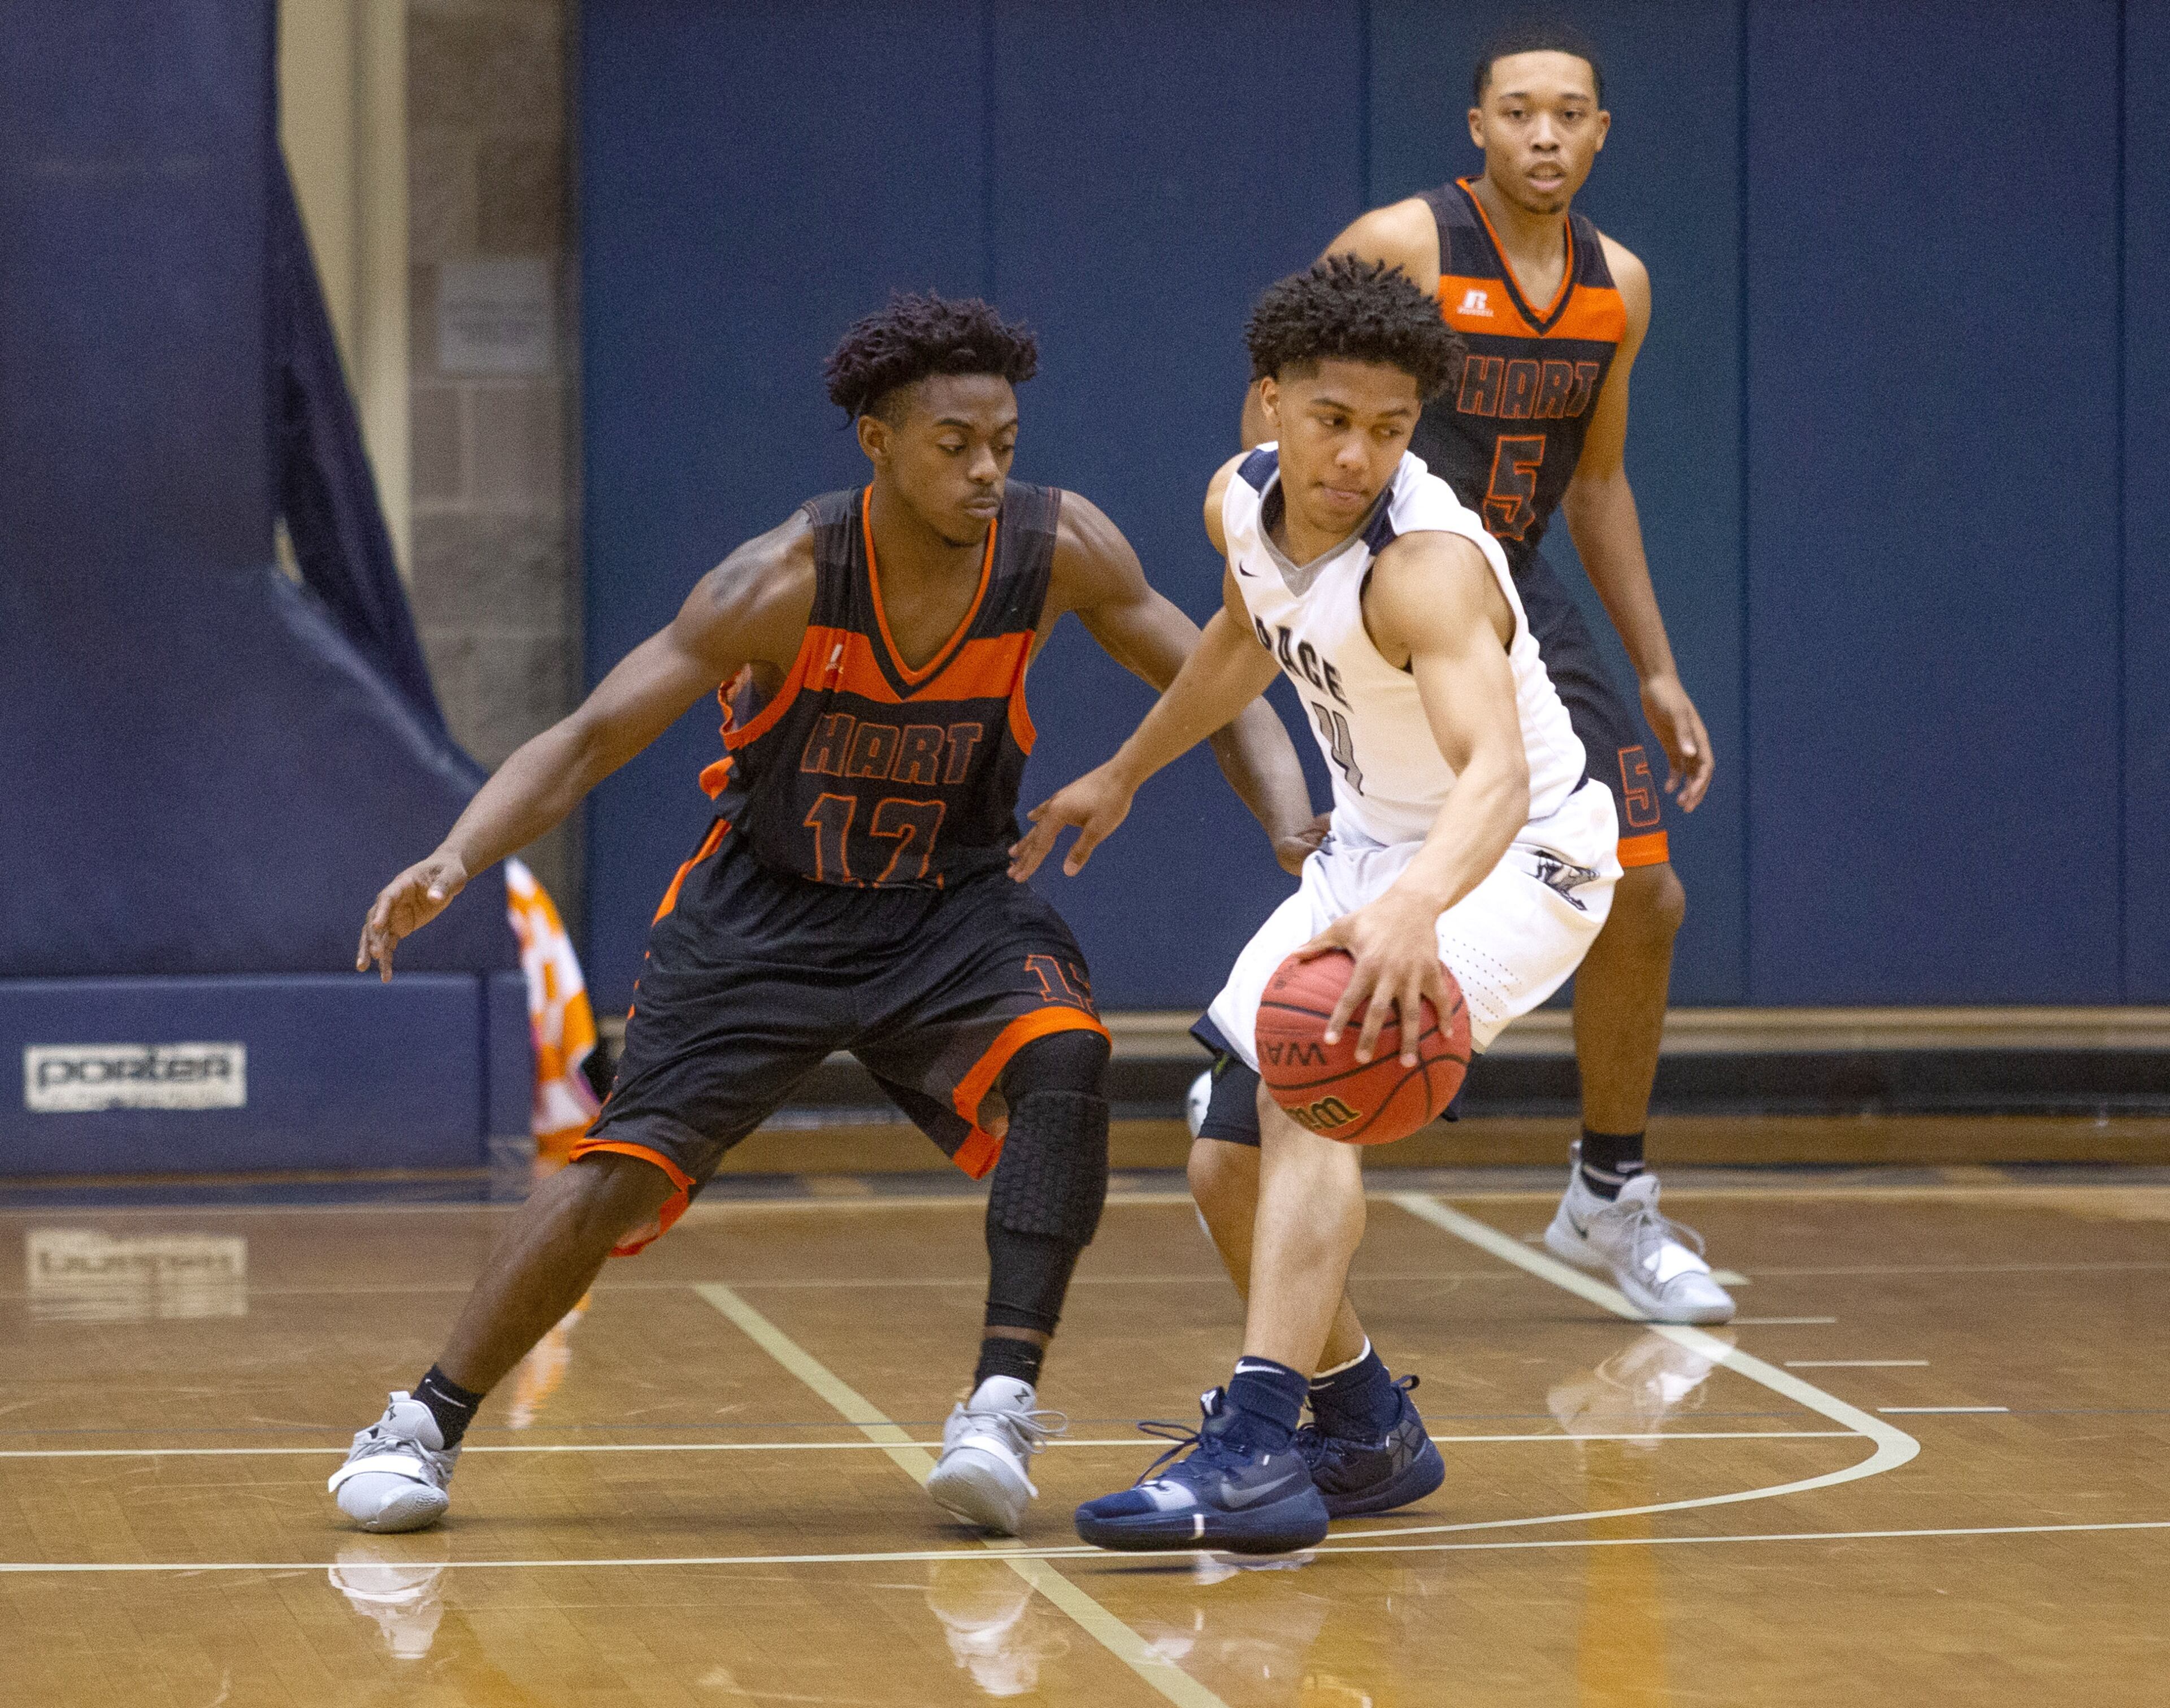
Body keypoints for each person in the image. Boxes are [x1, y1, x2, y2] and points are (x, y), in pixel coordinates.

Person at [329, 293, 1316, 1540]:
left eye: (1003, 442)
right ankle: (423, 1423)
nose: (985, 470)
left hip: (947, 909)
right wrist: (455, 856)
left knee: (1065, 1059)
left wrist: (1289, 828)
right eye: (954, 444)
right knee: (618, 1178)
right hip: (764, 916)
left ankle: (999, 1405)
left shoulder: (1057, 548)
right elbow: (588, 742)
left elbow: (1227, 684)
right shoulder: (782, 581)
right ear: (878, 442)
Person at [1016, 254, 1624, 1553]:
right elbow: (1248, 633)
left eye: (1389, 431)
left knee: (1313, 1083)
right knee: (1220, 1160)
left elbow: (1500, 778)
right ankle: (1363, 1431)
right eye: (1331, 421)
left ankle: (1252, 1451)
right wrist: (1126, 770)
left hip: (1518, 858)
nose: (1355, 457)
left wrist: (1413, 911)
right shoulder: (1240, 504)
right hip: (1375, 850)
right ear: (1269, 406)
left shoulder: (1427, 567)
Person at [1196, 20, 1735, 1328]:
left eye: (1570, 114)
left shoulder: (1622, 284)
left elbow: (1595, 481)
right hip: (1408, 563)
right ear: (1478, 130)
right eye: (1518, 112)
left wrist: (1657, 669)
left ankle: (1608, 1189)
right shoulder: (1405, 241)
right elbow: (1285, 385)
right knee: (1577, 869)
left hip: (1518, 583)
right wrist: (1282, 548)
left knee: (1646, 901)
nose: (1544, 135)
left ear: (1602, 135)